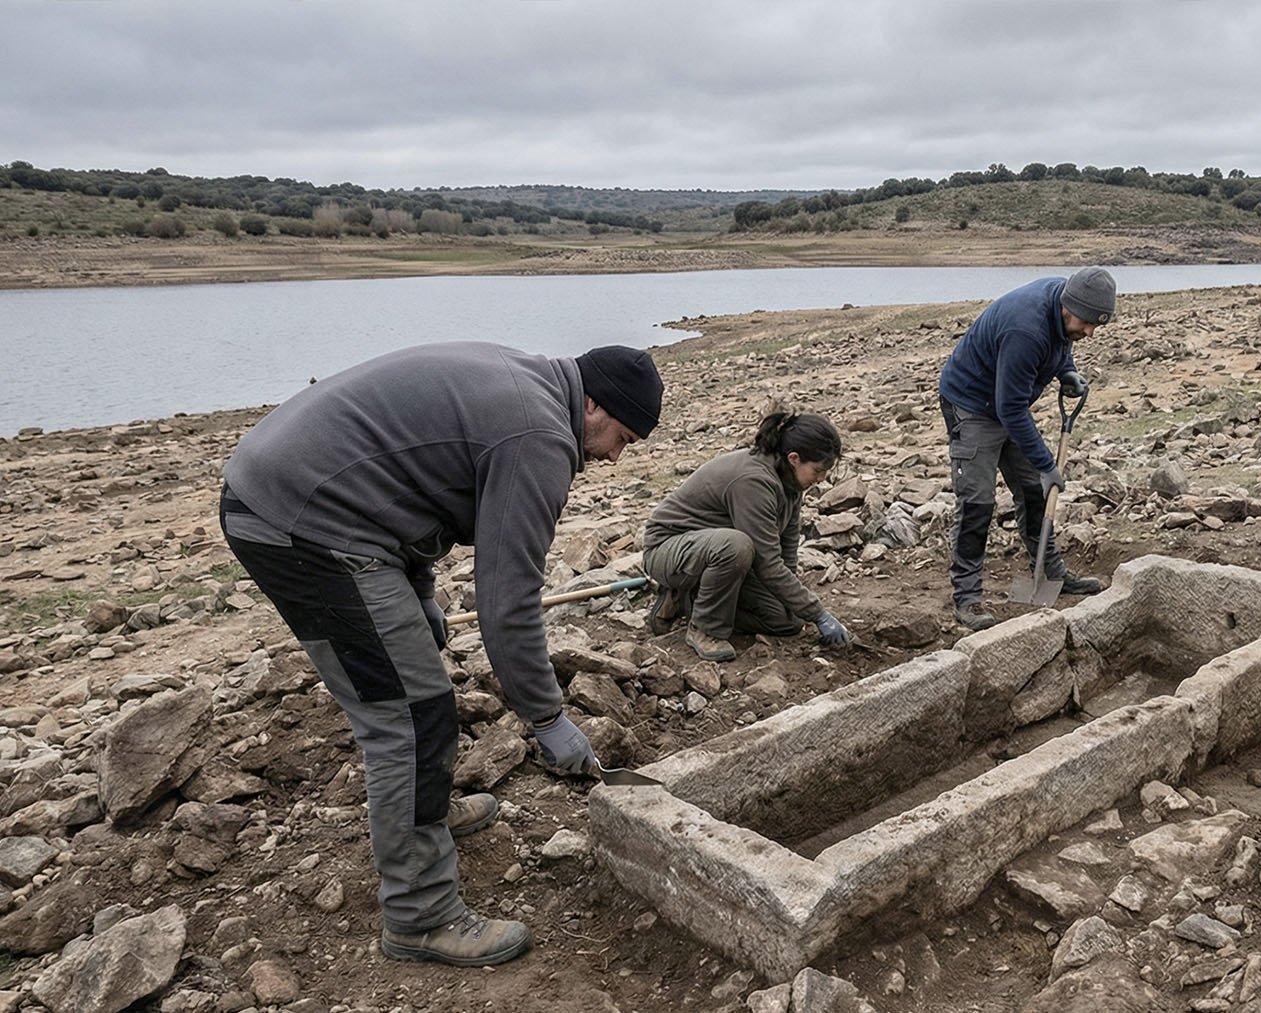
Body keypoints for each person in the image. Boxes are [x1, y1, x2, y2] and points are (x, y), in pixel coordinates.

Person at [220, 341, 662, 967]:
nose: (617, 457)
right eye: (622, 437)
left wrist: (419, 587)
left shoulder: (530, 386)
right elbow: (506, 603)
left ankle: (425, 811)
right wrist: (546, 718)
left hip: (311, 500)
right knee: (409, 714)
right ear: (593, 404)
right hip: (301, 523)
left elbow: (417, 482)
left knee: (418, 674)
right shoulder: (539, 435)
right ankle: (420, 916)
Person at [938, 267, 1115, 631]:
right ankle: (967, 598)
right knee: (977, 502)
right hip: (971, 405)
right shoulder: (1026, 329)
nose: (1090, 333)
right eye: (1087, 323)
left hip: (1006, 402)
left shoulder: (1062, 303)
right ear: (1068, 306)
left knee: (1035, 491)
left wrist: (1066, 369)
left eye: (1096, 325)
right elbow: (1010, 409)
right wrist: (1047, 462)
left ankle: (1051, 574)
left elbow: (1061, 343)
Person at [642, 411, 851, 662]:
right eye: (818, 470)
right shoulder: (754, 481)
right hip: (669, 548)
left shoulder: (791, 483)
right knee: (735, 547)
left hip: (714, 553)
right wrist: (819, 613)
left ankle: (689, 600)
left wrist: (798, 606)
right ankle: (705, 629)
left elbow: (786, 551)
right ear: (794, 458)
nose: (821, 479)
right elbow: (768, 564)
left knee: (787, 620)